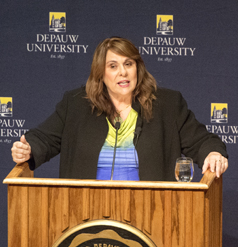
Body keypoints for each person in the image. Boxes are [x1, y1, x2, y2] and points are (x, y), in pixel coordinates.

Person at [11, 37, 228, 181]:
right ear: (100, 74)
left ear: (138, 68)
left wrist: (214, 152)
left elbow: (201, 140)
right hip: (86, 212)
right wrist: (28, 149)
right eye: (113, 66)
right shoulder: (76, 104)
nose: (122, 72)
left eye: (129, 64)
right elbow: (45, 138)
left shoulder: (168, 105)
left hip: (153, 212)